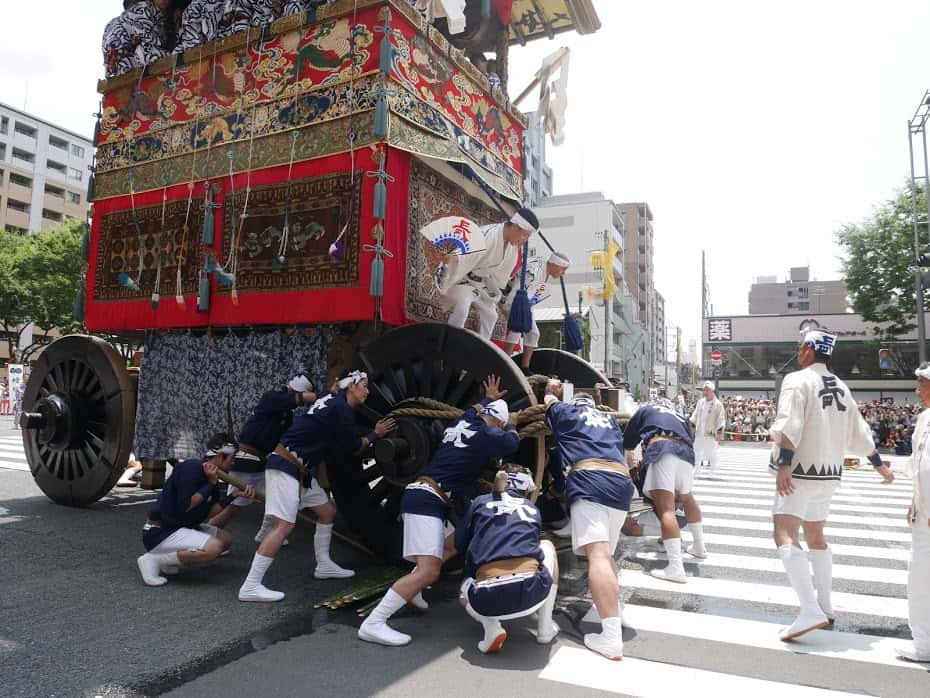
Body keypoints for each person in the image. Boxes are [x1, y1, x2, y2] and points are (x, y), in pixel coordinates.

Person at [358, 375, 518, 647]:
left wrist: (487, 398)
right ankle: (374, 622)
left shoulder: (462, 421)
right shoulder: (489, 434)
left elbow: (473, 410)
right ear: (498, 423)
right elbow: (511, 443)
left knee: (450, 546)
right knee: (429, 571)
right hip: (427, 500)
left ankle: (412, 590)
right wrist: (513, 424)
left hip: (426, 495)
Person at [769, 329, 894, 641]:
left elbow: (790, 422)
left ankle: (809, 608)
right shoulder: (841, 386)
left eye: (801, 347)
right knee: (816, 536)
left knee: (784, 533)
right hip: (829, 473)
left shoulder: (797, 380)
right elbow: (860, 431)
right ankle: (825, 606)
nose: (799, 352)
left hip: (800, 470)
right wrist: (879, 465)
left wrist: (785, 462)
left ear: (811, 349)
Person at [237, 370, 395, 602]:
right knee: (283, 527)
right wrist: (376, 434)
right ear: (351, 387)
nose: (367, 390)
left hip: (299, 469)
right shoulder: (341, 409)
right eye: (364, 385)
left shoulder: (330, 400)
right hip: (285, 465)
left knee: (327, 512)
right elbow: (355, 446)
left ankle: (323, 565)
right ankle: (250, 586)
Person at [544, 383, 634, 661]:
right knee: (606, 556)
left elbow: (547, 402)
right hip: (621, 483)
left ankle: (610, 638)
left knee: (597, 556)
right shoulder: (608, 419)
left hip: (590, 480)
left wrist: (550, 391)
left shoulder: (566, 413)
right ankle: (612, 611)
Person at [454, 466, 560, 654]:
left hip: (487, 598)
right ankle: (544, 628)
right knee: (548, 546)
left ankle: (491, 627)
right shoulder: (531, 508)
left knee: (464, 588)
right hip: (532, 592)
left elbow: (459, 542)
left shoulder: (480, 502)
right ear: (526, 488)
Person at [209, 372, 316, 542]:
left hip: (261, 462)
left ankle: (266, 532)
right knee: (234, 506)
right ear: (293, 391)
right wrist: (323, 398)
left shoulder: (287, 414)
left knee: (276, 497)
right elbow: (296, 399)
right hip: (245, 458)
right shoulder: (272, 398)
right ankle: (205, 536)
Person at [137, 434, 245, 586]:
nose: (233, 462)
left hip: (182, 526)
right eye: (232, 458)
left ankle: (168, 560)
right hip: (160, 531)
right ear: (220, 456)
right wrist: (210, 483)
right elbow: (186, 505)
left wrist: (234, 495)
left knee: (226, 540)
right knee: (215, 548)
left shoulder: (211, 474)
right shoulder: (191, 468)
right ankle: (154, 559)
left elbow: (210, 513)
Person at [623, 402, 706, 583]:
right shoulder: (678, 414)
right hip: (686, 452)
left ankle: (676, 567)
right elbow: (690, 435)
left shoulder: (645, 410)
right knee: (688, 498)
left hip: (663, 449)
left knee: (666, 509)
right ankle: (699, 547)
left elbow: (627, 442)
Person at [430, 208, 538, 340]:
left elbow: (499, 279)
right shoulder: (488, 235)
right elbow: (463, 254)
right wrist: (453, 258)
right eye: (525, 235)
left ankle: (481, 347)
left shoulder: (513, 249)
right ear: (515, 227)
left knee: (491, 315)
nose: (525, 240)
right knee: (463, 305)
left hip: (480, 284)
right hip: (461, 277)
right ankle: (450, 340)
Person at [899, 363, 930, 663]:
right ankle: (923, 642)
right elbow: (919, 462)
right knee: (920, 577)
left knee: (922, 578)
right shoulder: (924, 418)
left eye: (923, 384)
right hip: (924, 514)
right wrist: (915, 501)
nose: (918, 391)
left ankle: (925, 646)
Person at [501, 251, 570, 373]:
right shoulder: (535, 269)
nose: (563, 273)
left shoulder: (545, 273)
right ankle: (505, 362)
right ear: (555, 265)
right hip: (512, 299)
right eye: (563, 269)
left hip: (523, 304)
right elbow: (518, 289)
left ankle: (525, 368)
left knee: (533, 334)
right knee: (518, 329)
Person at [690, 381, 725, 477]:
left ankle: (712, 470)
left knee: (711, 452)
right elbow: (695, 414)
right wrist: (692, 424)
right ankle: (697, 469)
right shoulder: (700, 402)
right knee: (697, 450)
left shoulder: (718, 404)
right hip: (699, 430)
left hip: (710, 431)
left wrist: (719, 432)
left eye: (707, 390)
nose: (705, 392)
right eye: (704, 390)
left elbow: (721, 419)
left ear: (712, 391)